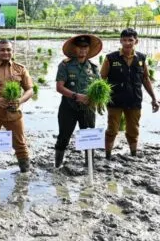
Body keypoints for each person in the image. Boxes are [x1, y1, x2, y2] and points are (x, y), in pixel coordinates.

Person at [101, 28, 159, 159]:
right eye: (125, 40)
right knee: (112, 130)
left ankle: (133, 154)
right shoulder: (110, 58)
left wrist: (154, 98)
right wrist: (100, 98)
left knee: (133, 130)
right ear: (120, 40)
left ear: (136, 41)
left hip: (134, 100)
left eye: (131, 40)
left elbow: (145, 79)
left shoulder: (141, 58)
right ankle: (108, 156)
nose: (127, 43)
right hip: (115, 101)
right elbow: (102, 79)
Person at [0, 39, 33, 172]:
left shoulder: (20, 69)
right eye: (2, 50)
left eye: (8, 50)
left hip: (14, 113)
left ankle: (25, 171)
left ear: (12, 52)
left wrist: (20, 100)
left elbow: (30, 90)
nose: (5, 52)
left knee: (20, 143)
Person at [54, 34, 102, 167]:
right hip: (68, 107)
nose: (82, 50)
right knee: (63, 137)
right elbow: (59, 87)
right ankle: (58, 165)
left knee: (89, 138)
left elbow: (99, 88)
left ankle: (89, 167)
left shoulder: (93, 68)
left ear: (88, 49)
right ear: (75, 49)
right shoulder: (65, 65)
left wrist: (96, 100)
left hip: (88, 109)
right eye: (79, 47)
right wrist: (77, 96)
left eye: (85, 47)